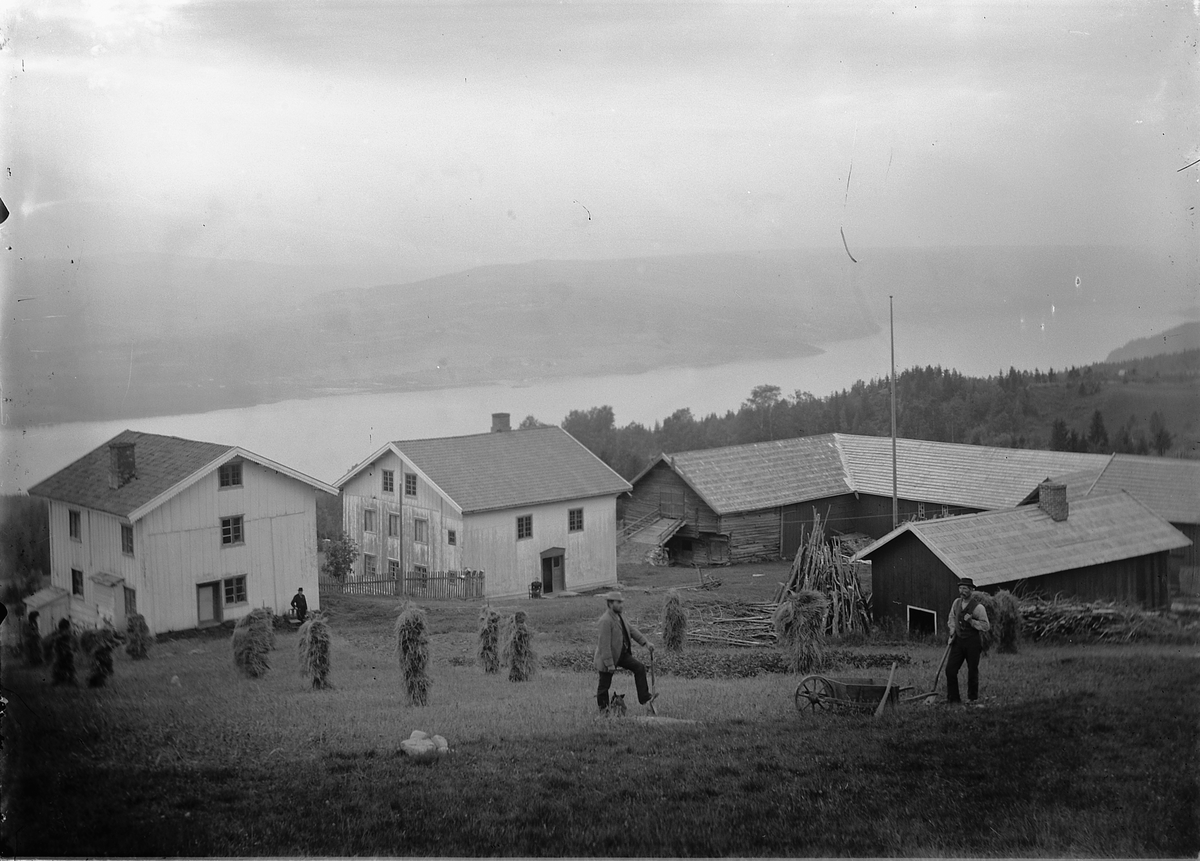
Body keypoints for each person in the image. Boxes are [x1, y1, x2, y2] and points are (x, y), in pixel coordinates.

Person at [594, 591, 656, 713]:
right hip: (608, 658)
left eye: (622, 602)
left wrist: (645, 643)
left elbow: (631, 630)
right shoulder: (605, 621)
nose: (622, 605)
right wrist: (609, 664)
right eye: (618, 602)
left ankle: (644, 697)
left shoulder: (620, 616)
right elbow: (604, 645)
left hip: (621, 655)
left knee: (639, 668)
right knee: (604, 686)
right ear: (610, 604)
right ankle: (604, 711)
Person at [946, 577, 990, 704]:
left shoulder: (978, 608)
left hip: (972, 643)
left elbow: (986, 626)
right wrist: (952, 630)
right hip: (958, 641)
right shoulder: (956, 603)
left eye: (965, 588)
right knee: (950, 670)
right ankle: (953, 699)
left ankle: (972, 698)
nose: (962, 591)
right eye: (960, 588)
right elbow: (952, 618)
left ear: (971, 590)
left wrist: (971, 621)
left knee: (972, 670)